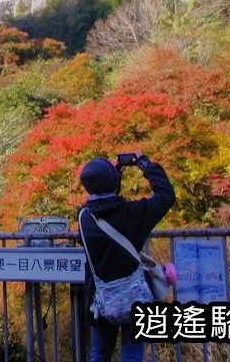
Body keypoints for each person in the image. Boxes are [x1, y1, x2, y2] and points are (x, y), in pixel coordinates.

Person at [78, 152, 175, 362]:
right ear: (113, 183)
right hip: (135, 296)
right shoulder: (134, 213)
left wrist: (115, 174)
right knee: (132, 354)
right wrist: (145, 164)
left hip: (101, 299)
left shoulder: (84, 218)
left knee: (100, 354)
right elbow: (166, 195)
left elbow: (105, 202)